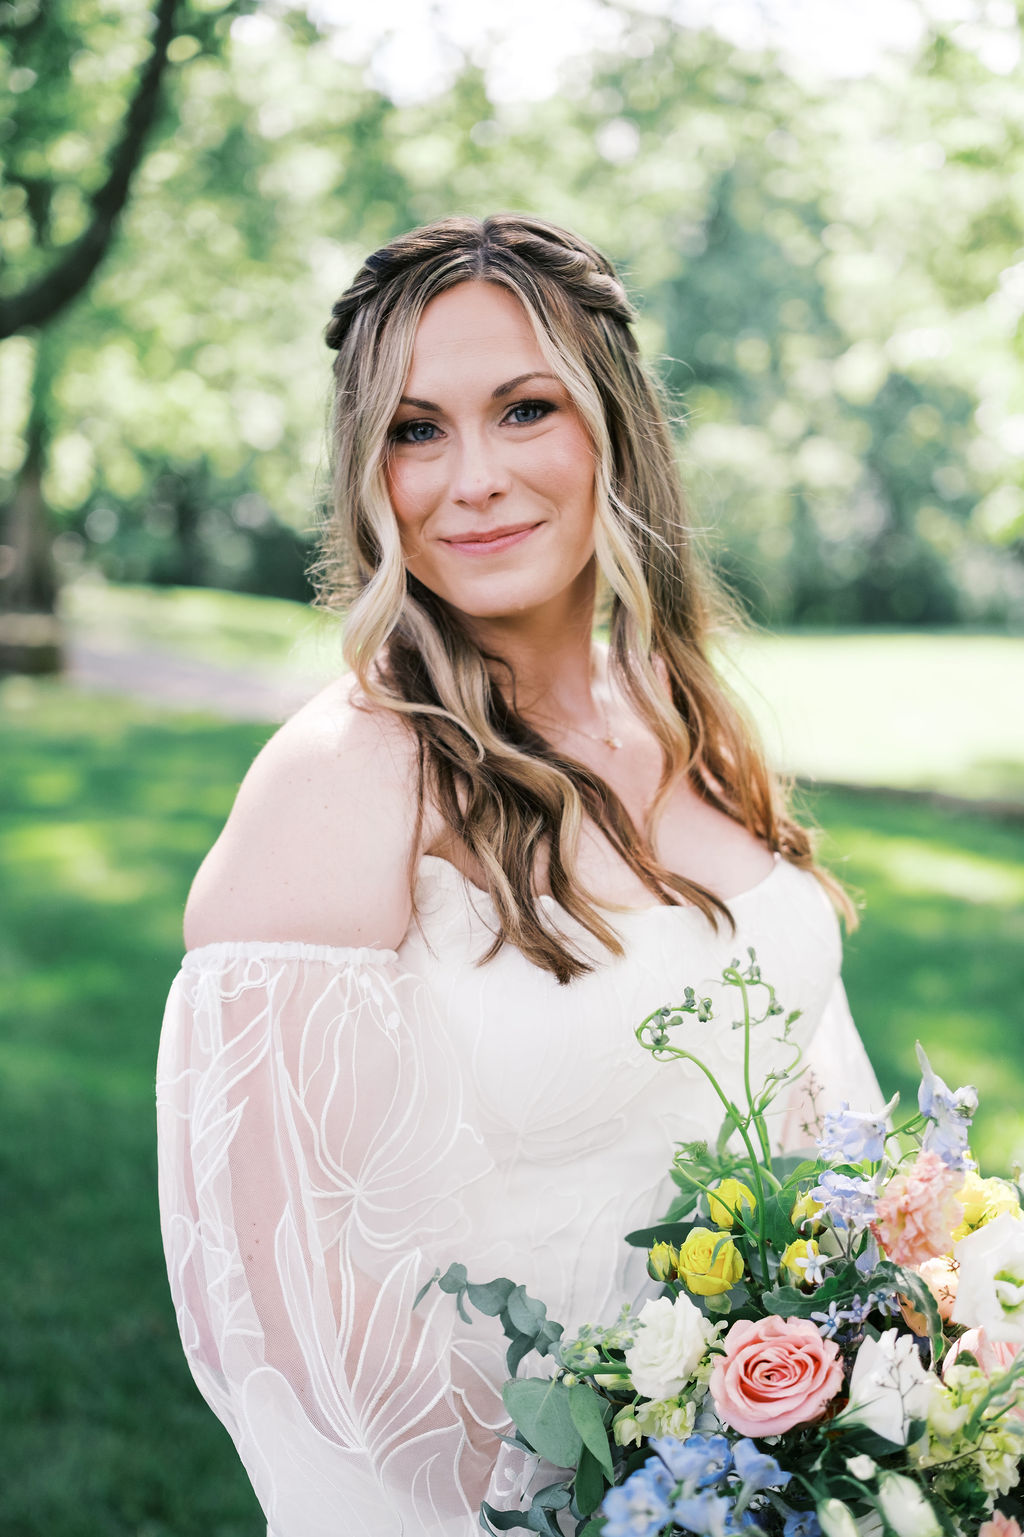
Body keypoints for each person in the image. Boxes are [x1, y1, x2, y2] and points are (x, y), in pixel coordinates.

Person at [156, 214, 882, 1537]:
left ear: (615, 427)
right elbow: (294, 1301)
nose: (470, 476)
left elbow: (819, 1101)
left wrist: (889, 1407)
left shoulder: (680, 714)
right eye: (415, 429)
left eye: (524, 408)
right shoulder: (349, 775)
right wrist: (644, 1496)